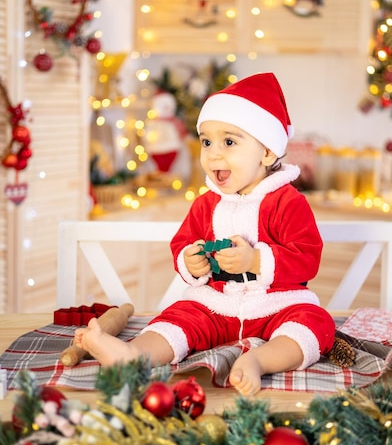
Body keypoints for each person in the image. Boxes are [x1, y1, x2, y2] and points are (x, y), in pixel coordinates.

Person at [74, 72, 335, 396]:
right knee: (179, 316)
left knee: (316, 322)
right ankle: (132, 355)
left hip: (275, 306)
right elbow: (182, 243)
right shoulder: (205, 204)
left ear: (267, 152)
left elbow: (307, 257)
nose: (212, 154)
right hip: (216, 305)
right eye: (206, 141)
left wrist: (255, 260)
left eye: (228, 142)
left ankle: (259, 361)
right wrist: (190, 261)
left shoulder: (288, 202)